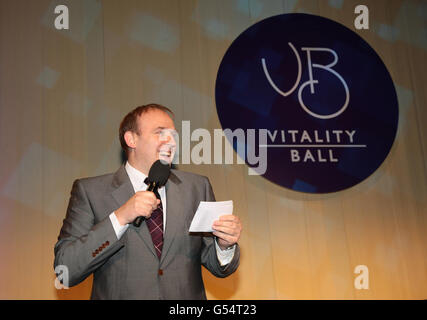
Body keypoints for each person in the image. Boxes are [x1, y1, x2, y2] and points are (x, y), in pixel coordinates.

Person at [54, 104, 242, 299]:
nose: (170, 141)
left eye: (174, 135)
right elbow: (65, 269)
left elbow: (217, 265)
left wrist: (224, 245)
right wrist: (120, 218)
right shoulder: (91, 192)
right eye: (160, 133)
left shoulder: (196, 187)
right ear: (131, 139)